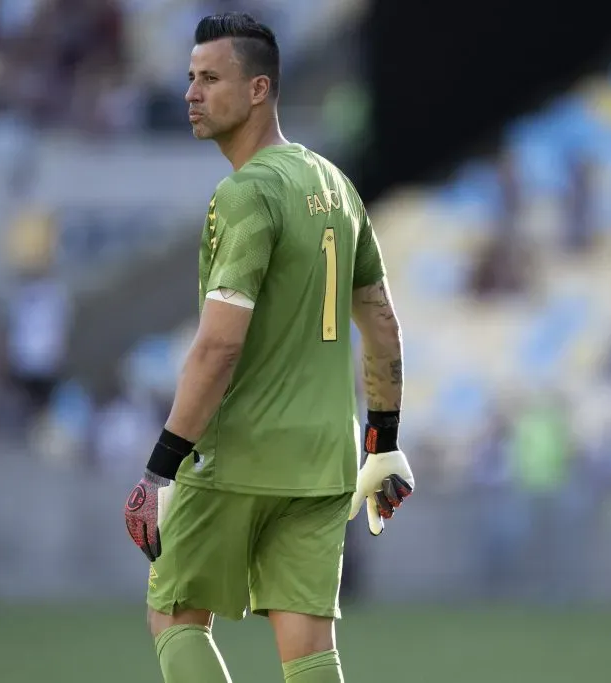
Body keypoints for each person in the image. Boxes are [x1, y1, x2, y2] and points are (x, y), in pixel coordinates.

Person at [122, 13, 415, 683]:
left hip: (238, 452)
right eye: (191, 77)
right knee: (309, 648)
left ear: (259, 89)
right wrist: (384, 443)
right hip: (325, 459)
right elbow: (383, 323)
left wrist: (159, 470)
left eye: (211, 79)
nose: (193, 92)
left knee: (174, 615)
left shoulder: (247, 193)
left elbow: (218, 346)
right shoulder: (336, 186)